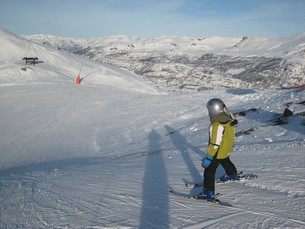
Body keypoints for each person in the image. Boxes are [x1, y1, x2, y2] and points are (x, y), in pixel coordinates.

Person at [198, 98, 238, 201]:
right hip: (226, 148)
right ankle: (232, 174)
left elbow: (215, 143)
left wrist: (209, 156)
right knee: (225, 160)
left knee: (209, 170)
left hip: (218, 150)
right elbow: (230, 135)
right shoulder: (228, 118)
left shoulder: (216, 124)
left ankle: (208, 192)